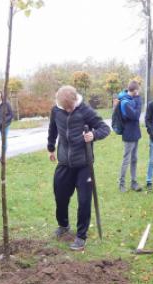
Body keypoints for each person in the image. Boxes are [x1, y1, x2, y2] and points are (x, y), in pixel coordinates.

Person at [47, 85, 110, 251]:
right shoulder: (56, 110)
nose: (69, 110)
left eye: (71, 106)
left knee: (84, 201)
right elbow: (52, 128)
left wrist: (93, 135)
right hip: (64, 163)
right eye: (66, 107)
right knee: (60, 196)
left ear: (76, 99)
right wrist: (51, 147)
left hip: (84, 164)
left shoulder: (85, 110)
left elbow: (104, 128)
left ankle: (81, 236)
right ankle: (63, 225)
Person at [117, 80, 142, 192]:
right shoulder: (125, 102)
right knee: (126, 159)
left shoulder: (132, 99)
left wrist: (137, 102)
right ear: (135, 90)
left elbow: (136, 114)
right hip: (128, 133)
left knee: (134, 159)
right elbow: (136, 116)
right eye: (138, 90)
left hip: (135, 133)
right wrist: (138, 101)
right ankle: (121, 184)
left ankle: (133, 182)